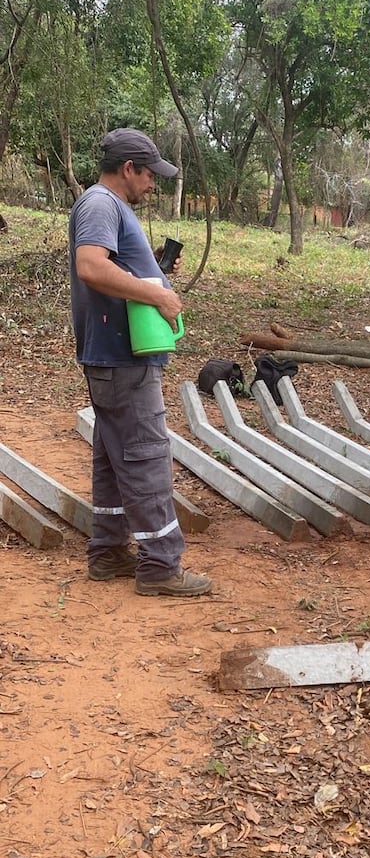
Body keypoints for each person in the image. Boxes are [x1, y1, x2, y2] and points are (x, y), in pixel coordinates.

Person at [69, 127, 211, 597]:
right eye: (150, 174)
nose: (154, 184)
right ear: (129, 168)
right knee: (146, 453)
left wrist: (149, 268)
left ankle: (108, 551)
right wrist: (155, 291)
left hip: (115, 354)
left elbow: (110, 267)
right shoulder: (100, 204)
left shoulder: (108, 207)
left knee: (114, 454)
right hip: (122, 356)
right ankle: (160, 565)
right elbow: (91, 265)